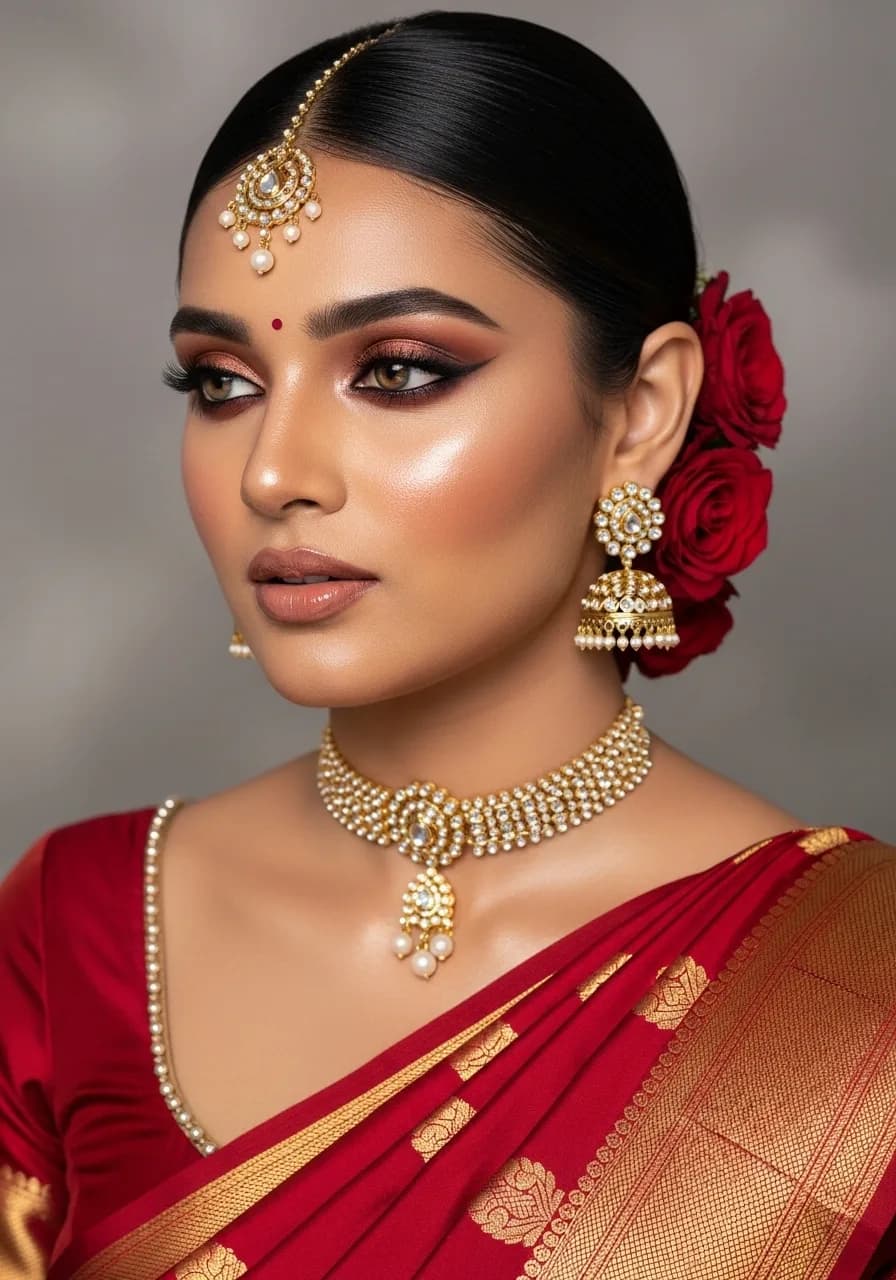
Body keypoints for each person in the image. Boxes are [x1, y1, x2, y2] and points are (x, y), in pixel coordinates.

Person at [1, 11, 894, 1278]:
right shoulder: (77, 933)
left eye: (401, 370)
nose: (271, 472)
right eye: (221, 382)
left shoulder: (858, 986)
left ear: (640, 413)